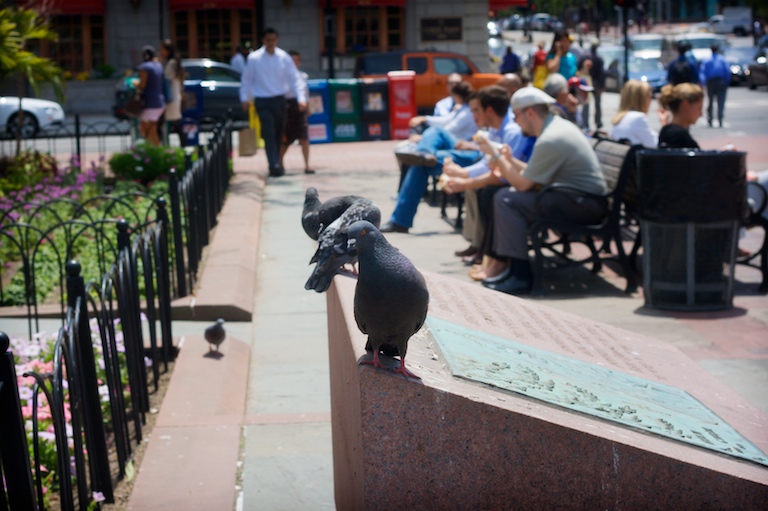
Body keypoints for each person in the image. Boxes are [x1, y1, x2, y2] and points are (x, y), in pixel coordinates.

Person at [480, 86, 607, 295]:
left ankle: (520, 275)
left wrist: (496, 156)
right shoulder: (555, 128)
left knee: (506, 199)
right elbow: (532, 174)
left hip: (584, 204)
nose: (515, 121)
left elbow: (523, 185)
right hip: (579, 199)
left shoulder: (550, 138)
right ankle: (512, 270)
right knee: (505, 196)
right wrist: (509, 160)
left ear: (529, 113)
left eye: (516, 115)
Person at [381, 86, 516, 234]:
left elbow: (493, 161)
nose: (473, 115)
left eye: (476, 110)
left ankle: (400, 219)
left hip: (475, 155)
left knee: (420, 165)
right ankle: (424, 153)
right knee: (435, 133)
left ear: (488, 110)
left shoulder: (510, 129)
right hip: (470, 149)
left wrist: (463, 174)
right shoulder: (493, 126)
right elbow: (449, 123)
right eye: (472, 110)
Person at [239, 27, 306, 178]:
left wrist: (301, 98)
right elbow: (247, 80)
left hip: (280, 100)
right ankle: (273, 164)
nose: (271, 43)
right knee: (268, 132)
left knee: (278, 133)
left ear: (277, 40)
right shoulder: (254, 58)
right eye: (268, 40)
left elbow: (295, 79)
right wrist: (244, 98)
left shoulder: (283, 57)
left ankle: (277, 162)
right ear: (263, 40)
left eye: (273, 40)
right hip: (262, 101)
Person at [280, 50, 312, 173]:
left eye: (297, 60)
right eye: (292, 60)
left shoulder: (302, 76)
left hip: (301, 107)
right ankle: (280, 163)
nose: (295, 63)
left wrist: (308, 108)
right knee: (286, 140)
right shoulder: (282, 77)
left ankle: (307, 165)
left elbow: (306, 94)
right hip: (288, 108)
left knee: (304, 138)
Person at [610, 79, 665, 148]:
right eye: (650, 96)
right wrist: (664, 125)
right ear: (643, 99)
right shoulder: (638, 118)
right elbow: (655, 145)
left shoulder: (619, 118)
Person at [657, 83, 703, 149]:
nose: (701, 114)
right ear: (685, 106)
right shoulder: (680, 135)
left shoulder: (666, 131)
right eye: (699, 108)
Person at [136, 45, 165, 146]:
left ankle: (156, 153)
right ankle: (153, 152)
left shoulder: (145, 67)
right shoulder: (158, 65)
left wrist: (135, 83)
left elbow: (142, 84)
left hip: (151, 103)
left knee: (148, 130)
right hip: (159, 102)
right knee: (149, 130)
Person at [160, 39, 187, 147]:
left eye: (162, 49)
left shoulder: (172, 63)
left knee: (174, 124)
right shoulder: (174, 62)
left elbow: (166, 77)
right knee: (176, 124)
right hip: (174, 95)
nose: (160, 52)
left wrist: (161, 62)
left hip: (171, 96)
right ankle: (182, 146)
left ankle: (166, 147)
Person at [699, 43, 731, 128]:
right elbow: (727, 71)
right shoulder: (722, 59)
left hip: (711, 82)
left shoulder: (707, 60)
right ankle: (720, 118)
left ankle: (710, 119)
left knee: (710, 101)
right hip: (721, 82)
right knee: (721, 102)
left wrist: (703, 83)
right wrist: (727, 82)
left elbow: (702, 72)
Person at [579, 42, 605, 129]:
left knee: (587, 103)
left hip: (588, 81)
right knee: (595, 103)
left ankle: (586, 123)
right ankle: (597, 123)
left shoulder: (584, 56)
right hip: (592, 82)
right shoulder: (598, 57)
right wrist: (601, 86)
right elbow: (602, 73)